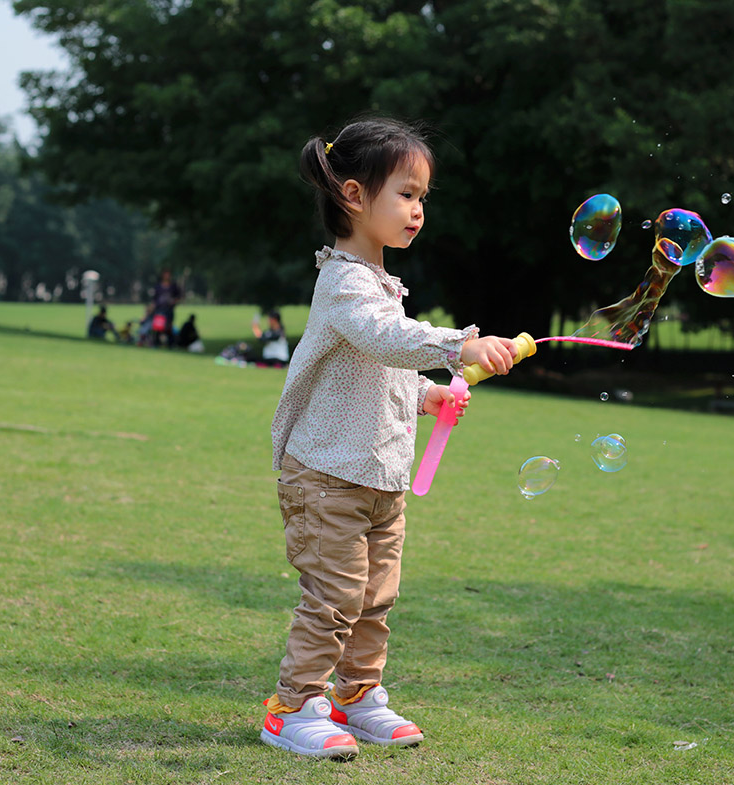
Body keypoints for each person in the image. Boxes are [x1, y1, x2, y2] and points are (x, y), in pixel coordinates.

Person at [262, 117, 517, 760]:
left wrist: (428, 394)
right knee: (335, 595)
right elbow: (383, 339)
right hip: (327, 474)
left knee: (375, 598)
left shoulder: (378, 286)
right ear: (353, 195)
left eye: (422, 197)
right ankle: (292, 708)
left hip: (379, 475)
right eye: (406, 193)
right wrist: (457, 344)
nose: (418, 209)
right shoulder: (345, 281)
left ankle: (357, 695)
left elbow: (378, 368)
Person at [151, 270, 181, 348]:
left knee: (168, 327)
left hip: (169, 310)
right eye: (165, 275)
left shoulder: (173, 286)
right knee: (158, 327)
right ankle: (156, 343)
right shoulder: (158, 287)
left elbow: (179, 297)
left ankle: (170, 344)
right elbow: (154, 300)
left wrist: (173, 301)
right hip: (159, 309)